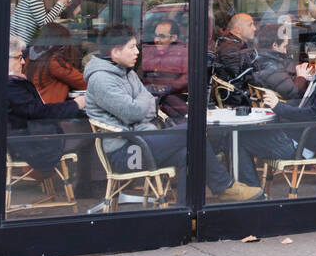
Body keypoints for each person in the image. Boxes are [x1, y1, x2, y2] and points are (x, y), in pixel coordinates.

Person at [83, 23, 263, 202]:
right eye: (131, 47)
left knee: (190, 153)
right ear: (115, 52)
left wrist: (142, 104)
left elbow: (150, 105)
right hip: (125, 152)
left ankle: (185, 210)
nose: (137, 52)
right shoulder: (101, 79)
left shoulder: (127, 72)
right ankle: (225, 187)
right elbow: (134, 112)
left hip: (143, 139)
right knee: (192, 130)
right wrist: (142, 104)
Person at [237, 33, 316, 188]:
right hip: (296, 136)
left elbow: (311, 115)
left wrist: (279, 106)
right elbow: (304, 105)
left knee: (239, 139)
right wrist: (277, 107)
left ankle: (253, 192)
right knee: (241, 136)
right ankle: (252, 190)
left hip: (299, 143)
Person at [7, 37, 85, 177]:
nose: (23, 62)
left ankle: (83, 183)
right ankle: (88, 185)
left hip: (34, 137)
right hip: (35, 144)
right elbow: (38, 113)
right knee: (91, 134)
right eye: (19, 58)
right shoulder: (12, 86)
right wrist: (76, 104)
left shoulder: (14, 81)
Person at [27, 22, 87, 105]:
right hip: (51, 110)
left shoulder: (31, 56)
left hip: (39, 108)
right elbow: (83, 82)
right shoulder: (53, 62)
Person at [142, 18, 189, 121]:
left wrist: (165, 89)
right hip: (149, 96)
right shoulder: (149, 51)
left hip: (174, 96)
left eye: (161, 36)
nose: (156, 40)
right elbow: (141, 75)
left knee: (168, 101)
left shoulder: (184, 52)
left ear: (173, 38)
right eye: (155, 35)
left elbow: (186, 79)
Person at [253, 21, 303, 99]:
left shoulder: (260, 59)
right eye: (285, 46)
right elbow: (293, 94)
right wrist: (301, 77)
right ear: (275, 45)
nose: (285, 51)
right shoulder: (272, 67)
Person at [214, 12, 259, 83]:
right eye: (250, 25)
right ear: (237, 30)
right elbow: (240, 78)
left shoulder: (238, 45)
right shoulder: (230, 49)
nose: (254, 28)